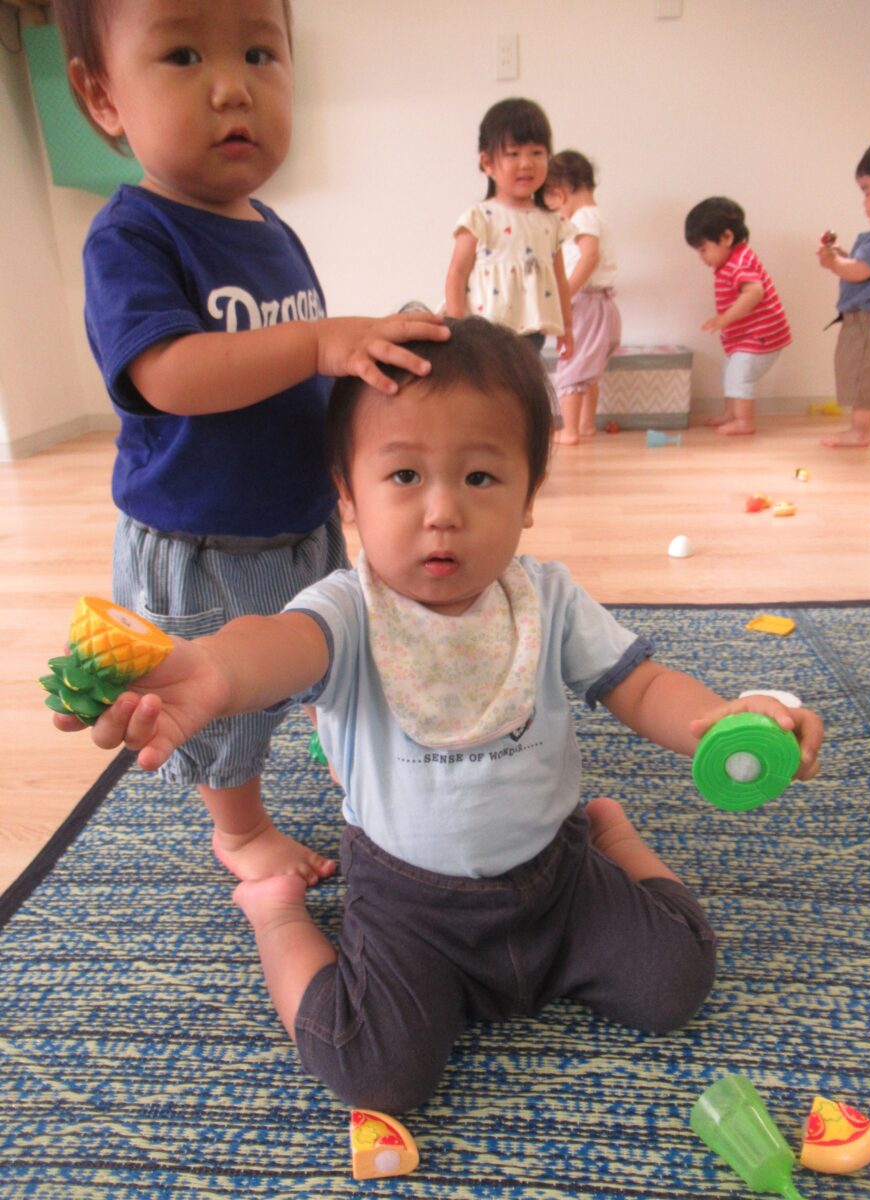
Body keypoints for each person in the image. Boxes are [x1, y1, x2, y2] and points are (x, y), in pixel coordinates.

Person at [56, 318, 824, 1114]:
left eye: (481, 477)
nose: (443, 511)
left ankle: (612, 835)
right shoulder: (349, 609)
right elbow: (276, 646)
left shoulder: (548, 598)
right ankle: (273, 916)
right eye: (404, 476)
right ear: (347, 494)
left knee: (677, 979)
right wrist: (215, 668)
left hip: (555, 877)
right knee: (372, 1073)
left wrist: (721, 716)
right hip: (408, 904)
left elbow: (642, 685)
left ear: (530, 495)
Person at [52, 0, 448, 885]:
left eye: (261, 54)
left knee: (328, 647)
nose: (233, 88)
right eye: (184, 55)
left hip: (300, 522)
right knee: (220, 702)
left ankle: (338, 740)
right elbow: (170, 374)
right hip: (203, 547)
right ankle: (238, 829)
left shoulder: (272, 229)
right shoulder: (131, 236)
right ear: (102, 95)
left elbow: (302, 381)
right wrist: (317, 342)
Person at [445, 98, 572, 360]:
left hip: (533, 332)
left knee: (526, 382)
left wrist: (567, 328)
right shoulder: (480, 217)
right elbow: (457, 272)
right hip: (483, 333)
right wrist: (455, 327)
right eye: (513, 154)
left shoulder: (551, 222)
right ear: (487, 163)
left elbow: (560, 280)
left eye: (537, 153)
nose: (526, 163)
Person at [816, 130, 870, 448]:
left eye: (867, 192)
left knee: (864, 375)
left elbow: (860, 270)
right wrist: (841, 257)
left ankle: (859, 430)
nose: (864, 202)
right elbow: (864, 268)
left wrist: (833, 263)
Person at [685, 197, 791, 435]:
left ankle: (744, 421)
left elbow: (755, 292)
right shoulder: (732, 261)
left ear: (726, 237)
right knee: (730, 372)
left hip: (761, 335)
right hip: (749, 336)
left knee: (739, 375)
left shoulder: (740, 262)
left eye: (703, 249)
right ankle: (731, 414)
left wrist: (724, 319)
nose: (702, 257)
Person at [543, 150, 622, 445]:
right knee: (589, 370)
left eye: (554, 207)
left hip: (586, 302)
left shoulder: (582, 218)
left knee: (572, 365)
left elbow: (589, 257)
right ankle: (587, 425)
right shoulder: (596, 216)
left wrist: (565, 293)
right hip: (603, 304)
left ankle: (570, 430)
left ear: (560, 194)